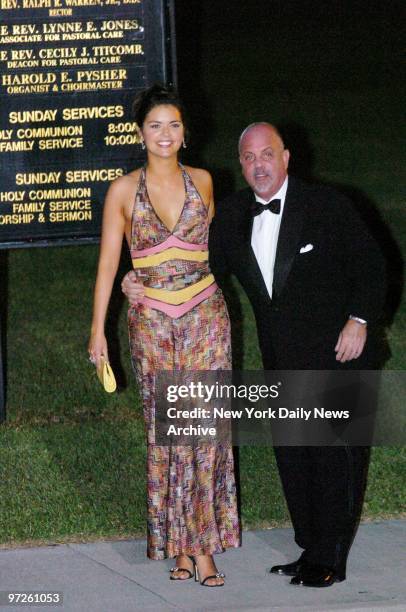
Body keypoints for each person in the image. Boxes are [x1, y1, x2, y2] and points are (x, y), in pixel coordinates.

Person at [123, 121, 386, 588]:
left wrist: (360, 320)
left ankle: (331, 557)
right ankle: (310, 548)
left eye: (267, 154)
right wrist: (137, 280)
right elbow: (197, 268)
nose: (258, 164)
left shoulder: (328, 205)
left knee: (332, 456)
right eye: (248, 157)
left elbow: (371, 263)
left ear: (286, 157)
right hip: (281, 356)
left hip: (338, 351)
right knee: (293, 456)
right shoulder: (234, 216)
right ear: (241, 165)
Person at [88, 84, 240, 587]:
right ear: (140, 133)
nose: (165, 134)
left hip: (205, 318)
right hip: (151, 323)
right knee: (168, 436)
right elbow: (110, 264)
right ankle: (180, 547)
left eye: (174, 124)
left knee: (203, 433)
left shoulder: (204, 181)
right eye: (155, 125)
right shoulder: (122, 190)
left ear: (184, 132)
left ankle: (203, 548)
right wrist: (98, 332)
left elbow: (211, 246)